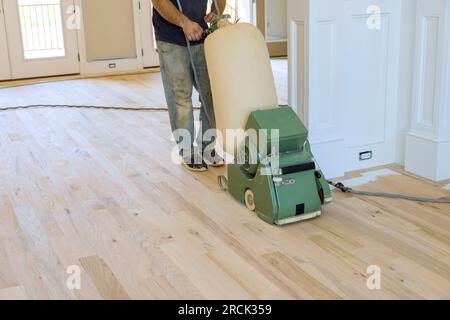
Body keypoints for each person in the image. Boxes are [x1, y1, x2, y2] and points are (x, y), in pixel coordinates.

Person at [152, 0, 227, 172]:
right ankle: (187, 150)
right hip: (171, 38)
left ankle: (208, 146)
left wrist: (216, 11)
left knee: (211, 94)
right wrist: (184, 22)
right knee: (181, 97)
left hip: (201, 35)